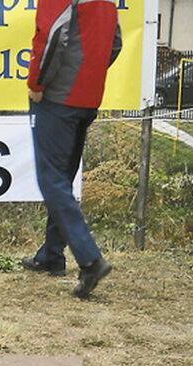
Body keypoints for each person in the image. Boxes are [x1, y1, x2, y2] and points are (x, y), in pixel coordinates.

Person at [23, 0, 121, 298]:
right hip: (89, 96)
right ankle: (52, 254)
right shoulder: (107, 2)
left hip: (59, 97)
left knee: (51, 179)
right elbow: (114, 44)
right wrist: (89, 72)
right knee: (63, 177)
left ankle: (89, 258)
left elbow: (49, 40)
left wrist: (37, 83)